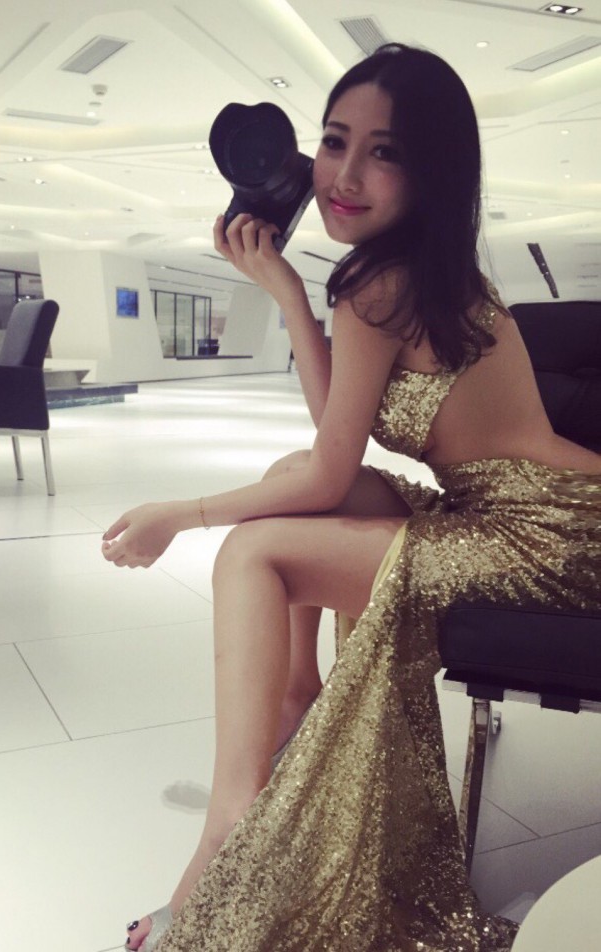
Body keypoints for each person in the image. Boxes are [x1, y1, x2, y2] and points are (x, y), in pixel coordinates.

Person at [102, 43, 601, 952]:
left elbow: (334, 475)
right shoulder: (407, 270)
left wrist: (181, 514)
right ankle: (295, 703)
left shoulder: (381, 281)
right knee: (293, 480)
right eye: (335, 142)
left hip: (548, 530)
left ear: (433, 170)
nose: (345, 175)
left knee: (254, 548)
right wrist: (289, 294)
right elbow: (336, 437)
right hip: (527, 510)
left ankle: (232, 823)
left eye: (386, 152)